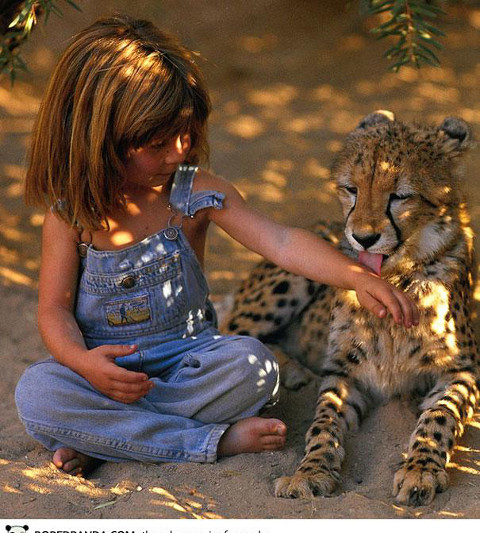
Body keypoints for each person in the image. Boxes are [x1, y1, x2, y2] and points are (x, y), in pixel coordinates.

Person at [15, 14, 418, 477]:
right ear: (97, 139)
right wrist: (83, 364)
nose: (179, 152)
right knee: (38, 391)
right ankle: (208, 441)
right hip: (103, 375)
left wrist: (353, 275)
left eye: (186, 134)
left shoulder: (196, 193)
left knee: (255, 367)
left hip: (190, 363)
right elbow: (54, 311)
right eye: (158, 142)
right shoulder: (71, 216)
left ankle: (110, 439)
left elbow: (281, 241)